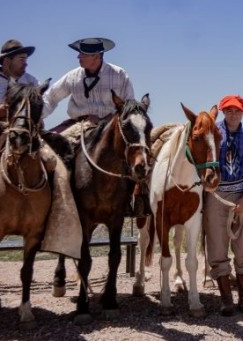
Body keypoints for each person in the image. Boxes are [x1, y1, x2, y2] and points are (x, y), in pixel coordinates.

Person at [41, 37, 145, 217]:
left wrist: (110, 120)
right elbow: (51, 98)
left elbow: (129, 106)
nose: (78, 57)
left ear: (96, 56)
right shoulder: (73, 76)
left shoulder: (119, 74)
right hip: (79, 124)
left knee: (137, 152)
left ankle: (136, 198)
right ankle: (54, 199)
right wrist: (33, 115)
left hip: (112, 126)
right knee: (49, 148)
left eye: (82, 54)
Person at [206, 94, 243, 316]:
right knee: (218, 249)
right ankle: (226, 300)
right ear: (222, 111)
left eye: (237, 110)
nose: (233, 114)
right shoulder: (213, 135)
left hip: (242, 196)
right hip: (216, 196)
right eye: (229, 110)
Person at [0, 39, 38, 119]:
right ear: (7, 61)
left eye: (26, 59)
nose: (26, 63)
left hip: (23, 128)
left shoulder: (31, 81)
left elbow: (39, 108)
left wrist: (10, 78)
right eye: (22, 59)